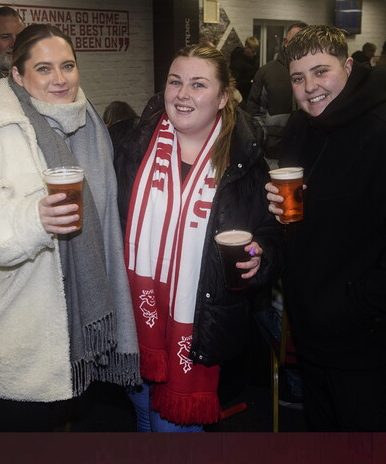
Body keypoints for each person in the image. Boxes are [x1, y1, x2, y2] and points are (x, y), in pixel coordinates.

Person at [0, 24, 141, 431]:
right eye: (44, 69)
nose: (60, 79)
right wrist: (31, 218)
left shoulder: (90, 126)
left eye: (68, 66)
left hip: (57, 325)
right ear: (17, 76)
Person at [266, 25, 386, 431]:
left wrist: (349, 308)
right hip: (312, 336)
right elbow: (305, 218)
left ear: (347, 66)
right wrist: (274, 209)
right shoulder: (301, 128)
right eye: (298, 77)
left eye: (320, 71)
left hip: (371, 345)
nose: (310, 87)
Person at [112, 44, 283, 432]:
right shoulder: (132, 146)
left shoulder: (244, 162)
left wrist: (259, 255)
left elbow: (269, 238)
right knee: (143, 416)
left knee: (174, 431)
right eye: (176, 82)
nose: (183, 94)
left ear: (223, 96)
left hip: (201, 326)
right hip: (133, 322)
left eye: (198, 84)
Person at [243, 21, 308, 162]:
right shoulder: (267, 72)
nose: (300, 45)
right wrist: (263, 141)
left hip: (308, 150)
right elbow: (254, 112)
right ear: (286, 42)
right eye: (296, 40)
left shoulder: (315, 73)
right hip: (273, 153)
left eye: (305, 41)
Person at [229, 36, 260, 101]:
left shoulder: (254, 58)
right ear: (246, 48)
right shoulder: (237, 60)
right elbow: (237, 82)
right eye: (253, 51)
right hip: (240, 94)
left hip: (251, 92)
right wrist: (251, 81)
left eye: (256, 51)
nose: (255, 54)